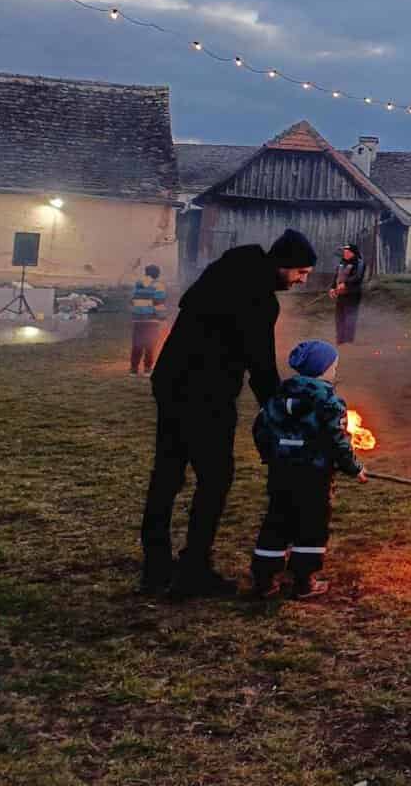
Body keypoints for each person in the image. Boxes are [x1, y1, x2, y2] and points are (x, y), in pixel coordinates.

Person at [140, 228, 317, 599]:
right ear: (283, 265)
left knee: (167, 475)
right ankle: (193, 569)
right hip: (206, 395)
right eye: (301, 272)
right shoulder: (259, 298)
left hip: (170, 382)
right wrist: (282, 410)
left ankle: (155, 569)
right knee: (215, 478)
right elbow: (262, 364)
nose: (303, 280)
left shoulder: (225, 272)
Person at [249, 340, 367, 599]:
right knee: (312, 525)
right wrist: (354, 468)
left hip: (281, 473)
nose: (334, 371)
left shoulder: (278, 396)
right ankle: (304, 581)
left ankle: (264, 579)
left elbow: (260, 429)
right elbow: (337, 441)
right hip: (314, 476)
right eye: (333, 367)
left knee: (276, 521)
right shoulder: (328, 400)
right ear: (323, 369)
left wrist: (269, 456)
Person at [129, 263, 167, 376]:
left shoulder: (138, 284)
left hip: (137, 320)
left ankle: (133, 370)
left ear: (146, 273)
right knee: (150, 344)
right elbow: (159, 303)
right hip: (152, 320)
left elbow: (132, 300)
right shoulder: (158, 285)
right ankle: (147, 369)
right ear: (157, 274)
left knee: (137, 344)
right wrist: (163, 318)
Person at [330, 244, 365, 344]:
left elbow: (357, 276)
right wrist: (332, 288)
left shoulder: (359, 263)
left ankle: (348, 341)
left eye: (347, 251)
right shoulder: (342, 262)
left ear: (352, 253)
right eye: (344, 251)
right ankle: (340, 340)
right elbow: (337, 276)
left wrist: (345, 283)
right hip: (341, 294)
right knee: (339, 317)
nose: (344, 253)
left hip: (353, 294)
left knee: (350, 317)